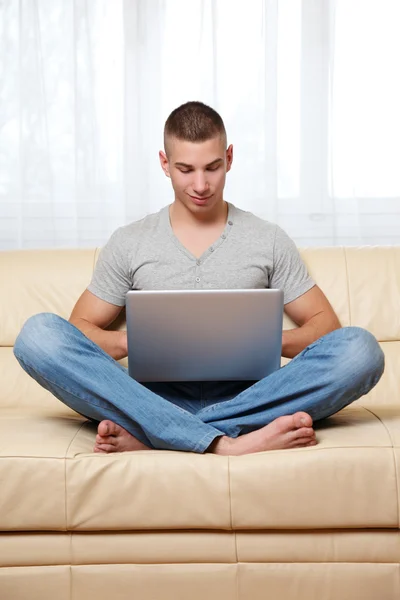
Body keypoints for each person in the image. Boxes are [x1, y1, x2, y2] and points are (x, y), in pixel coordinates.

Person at [13, 101, 384, 456]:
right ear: (164, 163)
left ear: (230, 159)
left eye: (212, 167)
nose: (201, 184)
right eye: (185, 169)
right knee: (38, 336)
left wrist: (261, 341)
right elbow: (80, 329)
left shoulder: (267, 239)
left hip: (252, 398)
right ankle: (228, 442)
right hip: (149, 398)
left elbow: (326, 327)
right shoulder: (129, 242)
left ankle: (164, 435)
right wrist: (138, 340)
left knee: (360, 351)